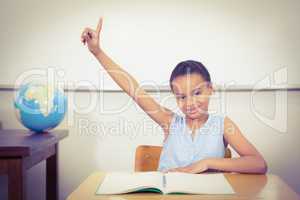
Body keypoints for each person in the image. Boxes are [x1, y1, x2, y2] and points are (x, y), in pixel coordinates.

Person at [81, 17, 267, 174]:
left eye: (197, 93)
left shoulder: (223, 125)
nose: (190, 103)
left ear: (211, 89)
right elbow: (133, 89)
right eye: (182, 97)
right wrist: (97, 52)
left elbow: (259, 164)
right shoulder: (169, 121)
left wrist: (207, 163)